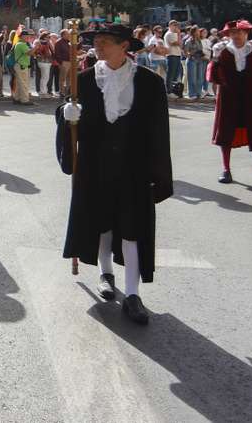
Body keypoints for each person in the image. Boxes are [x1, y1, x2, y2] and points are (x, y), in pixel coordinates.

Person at [58, 24, 172, 326]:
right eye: (96, 42)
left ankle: (133, 294)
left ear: (125, 47)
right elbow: (71, 118)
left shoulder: (148, 82)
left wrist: (159, 172)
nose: (99, 46)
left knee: (132, 229)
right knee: (102, 223)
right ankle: (105, 273)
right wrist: (66, 115)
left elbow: (159, 130)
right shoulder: (82, 79)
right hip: (94, 165)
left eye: (106, 42)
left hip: (134, 166)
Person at [211, 20, 252, 184]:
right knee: (225, 134)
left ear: (246, 34)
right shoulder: (222, 52)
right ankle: (226, 169)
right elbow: (214, 78)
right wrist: (215, 60)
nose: (236, 35)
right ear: (229, 35)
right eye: (233, 33)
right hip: (228, 98)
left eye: (240, 32)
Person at [11, 29, 34, 105]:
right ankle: (24, 100)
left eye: (28, 36)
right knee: (24, 83)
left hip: (20, 65)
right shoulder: (21, 44)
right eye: (26, 36)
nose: (28, 37)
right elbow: (29, 53)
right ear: (21, 37)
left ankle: (17, 98)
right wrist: (36, 47)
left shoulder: (20, 44)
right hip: (21, 66)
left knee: (19, 83)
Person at [164, 20, 183, 97]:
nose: (176, 27)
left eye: (177, 25)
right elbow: (176, 43)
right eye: (174, 25)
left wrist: (178, 36)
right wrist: (179, 34)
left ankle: (174, 91)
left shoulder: (175, 34)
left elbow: (180, 44)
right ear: (170, 25)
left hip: (177, 55)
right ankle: (169, 91)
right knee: (171, 74)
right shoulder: (169, 34)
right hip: (171, 55)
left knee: (176, 74)